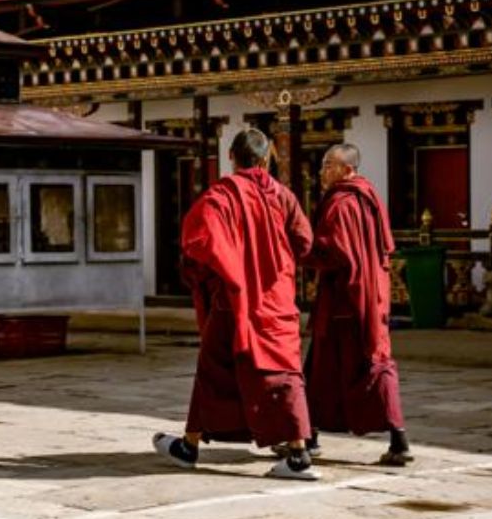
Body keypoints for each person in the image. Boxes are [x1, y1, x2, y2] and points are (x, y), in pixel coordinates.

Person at [153, 128, 318, 480]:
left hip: (235, 301)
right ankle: (298, 455)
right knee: (285, 374)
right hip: (277, 301)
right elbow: (304, 244)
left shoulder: (220, 196)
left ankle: (190, 446)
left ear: (231, 157)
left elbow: (197, 242)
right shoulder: (284, 196)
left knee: (213, 372)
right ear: (264, 159)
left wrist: (219, 272)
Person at [300, 143, 412, 466]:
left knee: (324, 369)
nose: (323, 172)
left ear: (347, 170)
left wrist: (299, 251)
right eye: (323, 165)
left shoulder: (341, 203)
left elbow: (334, 253)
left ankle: (310, 438)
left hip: (344, 302)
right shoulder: (370, 198)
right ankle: (396, 437)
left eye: (328, 165)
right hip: (372, 295)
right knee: (373, 364)